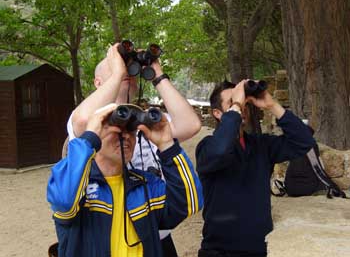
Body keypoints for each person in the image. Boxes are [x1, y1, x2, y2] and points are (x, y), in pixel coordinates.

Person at [66, 43, 201, 256]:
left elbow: (191, 124)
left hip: (156, 232)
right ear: (98, 82)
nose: (125, 71)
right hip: (107, 235)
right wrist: (117, 73)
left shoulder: (145, 120)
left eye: (128, 69)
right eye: (117, 68)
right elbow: (83, 121)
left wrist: (157, 74)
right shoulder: (92, 120)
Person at [47, 103, 203, 257]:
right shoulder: (78, 185)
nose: (126, 135)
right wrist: (88, 138)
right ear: (97, 132)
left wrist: (167, 145)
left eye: (131, 129)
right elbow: (63, 201)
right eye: (116, 128)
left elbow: (190, 203)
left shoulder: (145, 186)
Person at [196, 80, 316, 257]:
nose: (241, 107)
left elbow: (305, 142)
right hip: (219, 250)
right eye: (232, 102)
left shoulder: (262, 145)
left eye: (244, 102)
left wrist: (272, 104)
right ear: (217, 113)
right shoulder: (206, 147)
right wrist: (236, 104)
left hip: (259, 249)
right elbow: (220, 151)